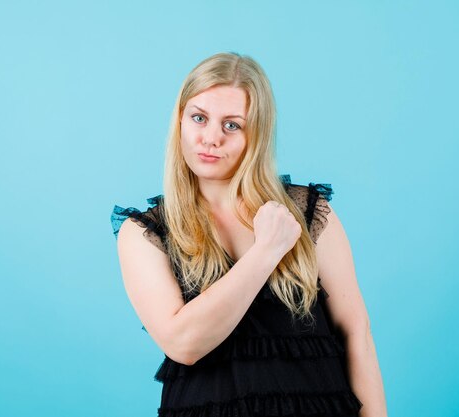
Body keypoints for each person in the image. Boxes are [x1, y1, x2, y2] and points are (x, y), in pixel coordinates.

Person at [110, 52, 387, 417]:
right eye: (199, 118)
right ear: (180, 120)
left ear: (256, 133)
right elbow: (184, 343)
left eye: (232, 125)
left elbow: (356, 333)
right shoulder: (146, 233)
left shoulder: (306, 211)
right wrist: (266, 252)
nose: (211, 138)